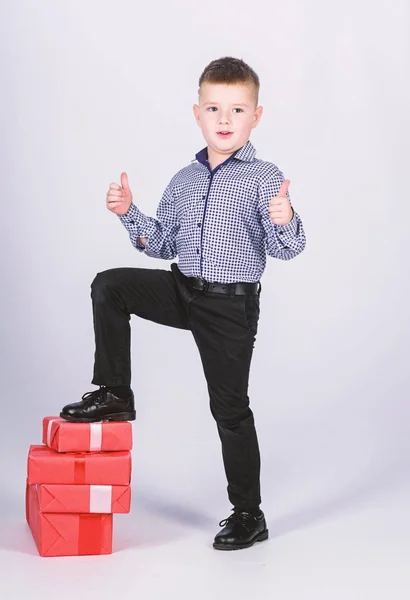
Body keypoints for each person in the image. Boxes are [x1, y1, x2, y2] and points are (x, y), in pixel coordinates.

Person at [60, 56, 306, 550]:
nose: (224, 119)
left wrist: (285, 217)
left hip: (228, 308)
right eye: (214, 108)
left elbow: (287, 249)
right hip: (182, 289)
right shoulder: (185, 179)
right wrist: (130, 213)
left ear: (255, 117)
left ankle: (248, 513)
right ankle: (115, 393)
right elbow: (163, 244)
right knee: (110, 284)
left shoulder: (263, 178)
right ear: (197, 113)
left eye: (237, 110)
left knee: (230, 409)